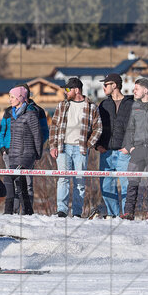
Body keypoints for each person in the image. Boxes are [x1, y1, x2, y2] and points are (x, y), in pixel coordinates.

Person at [49, 77, 101, 218]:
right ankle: (62, 210)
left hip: (80, 149)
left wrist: (88, 144)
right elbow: (54, 126)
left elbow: (98, 128)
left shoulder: (91, 107)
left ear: (76, 90)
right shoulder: (62, 106)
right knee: (63, 178)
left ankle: (77, 212)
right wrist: (52, 146)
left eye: (67, 89)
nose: (65, 92)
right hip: (63, 148)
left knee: (79, 181)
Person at [120, 78, 148, 220]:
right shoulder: (135, 106)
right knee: (132, 181)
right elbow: (129, 128)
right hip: (137, 149)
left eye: (137, 89)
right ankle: (128, 212)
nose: (134, 91)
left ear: (145, 90)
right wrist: (130, 147)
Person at [0, 85, 43, 215]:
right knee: (20, 182)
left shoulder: (31, 115)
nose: (10, 100)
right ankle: (28, 211)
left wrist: (37, 154)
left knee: (9, 178)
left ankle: (8, 211)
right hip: (14, 155)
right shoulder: (12, 116)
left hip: (26, 154)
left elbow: (37, 135)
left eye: (12, 97)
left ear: (20, 98)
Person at [96, 73, 133, 218]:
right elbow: (96, 126)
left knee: (126, 187)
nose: (103, 87)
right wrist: (98, 145)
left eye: (106, 84)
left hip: (124, 153)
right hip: (106, 153)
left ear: (115, 85)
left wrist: (129, 147)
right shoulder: (104, 105)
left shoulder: (131, 105)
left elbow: (136, 128)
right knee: (106, 187)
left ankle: (126, 215)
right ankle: (114, 216)